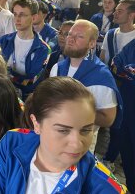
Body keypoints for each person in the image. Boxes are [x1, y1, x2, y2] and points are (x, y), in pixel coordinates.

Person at [0, 77, 127, 194]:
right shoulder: (12, 142)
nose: (77, 144)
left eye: (86, 130)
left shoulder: (106, 189)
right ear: (36, 124)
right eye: (63, 130)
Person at [50, 20, 121, 153]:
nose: (71, 39)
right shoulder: (58, 68)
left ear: (92, 43)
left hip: (79, 145)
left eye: (79, 36)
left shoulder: (101, 77)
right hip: (53, 134)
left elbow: (108, 119)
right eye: (70, 35)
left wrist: (74, 111)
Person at [0, 0, 51, 100]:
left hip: (26, 100)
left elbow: (30, 82)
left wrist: (3, 73)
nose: (17, 19)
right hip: (1, 95)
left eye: (22, 15)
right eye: (15, 14)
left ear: (34, 17)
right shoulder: (3, 41)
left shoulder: (44, 49)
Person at [110, 38, 135, 193]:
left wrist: (129, 71)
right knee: (127, 152)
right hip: (128, 108)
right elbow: (115, 65)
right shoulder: (133, 45)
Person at [101, 0, 135, 66]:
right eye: (115, 10)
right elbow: (102, 59)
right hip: (110, 75)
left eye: (119, 11)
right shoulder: (110, 34)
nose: (114, 13)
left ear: (131, 15)